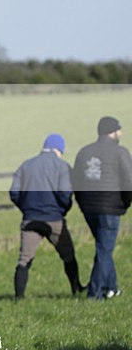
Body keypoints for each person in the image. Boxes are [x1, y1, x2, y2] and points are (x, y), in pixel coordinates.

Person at [9, 133, 85, 299]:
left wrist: (26, 209)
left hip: (30, 220)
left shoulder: (26, 165)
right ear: (60, 149)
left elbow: (14, 192)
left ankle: (18, 297)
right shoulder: (62, 166)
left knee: (24, 260)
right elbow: (65, 193)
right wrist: (63, 210)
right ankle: (76, 289)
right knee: (68, 255)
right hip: (54, 219)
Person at [72, 116, 132, 300]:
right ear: (111, 132)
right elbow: (129, 181)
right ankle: (95, 294)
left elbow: (76, 182)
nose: (121, 133)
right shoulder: (121, 152)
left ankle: (111, 287)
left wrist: (83, 205)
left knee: (103, 248)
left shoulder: (84, 152)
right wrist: (125, 203)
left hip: (89, 208)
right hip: (110, 208)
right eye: (118, 130)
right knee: (105, 250)